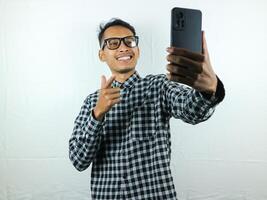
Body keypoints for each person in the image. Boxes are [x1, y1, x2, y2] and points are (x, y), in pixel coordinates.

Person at [69, 18, 225, 200]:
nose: (123, 47)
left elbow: (192, 110)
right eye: (113, 43)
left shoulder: (158, 86)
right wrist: (97, 115)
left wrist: (209, 90)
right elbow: (78, 160)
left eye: (130, 41)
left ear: (138, 50)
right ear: (102, 54)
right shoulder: (91, 103)